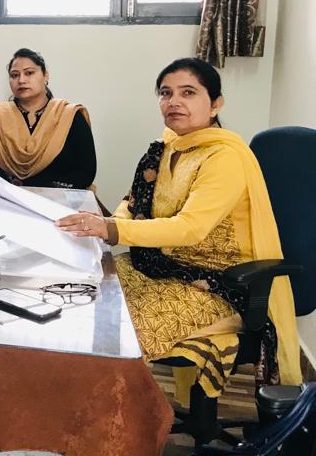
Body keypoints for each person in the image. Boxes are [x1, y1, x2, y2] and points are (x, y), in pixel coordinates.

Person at [56, 58, 301, 406]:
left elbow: (190, 227)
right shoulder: (166, 147)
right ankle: (69, 407)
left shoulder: (224, 157)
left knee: (117, 335)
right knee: (82, 297)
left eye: (188, 93)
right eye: (165, 93)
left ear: (215, 103)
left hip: (219, 284)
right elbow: (134, 203)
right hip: (162, 268)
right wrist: (100, 222)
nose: (174, 102)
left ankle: (115, 422)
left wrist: (112, 229)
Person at [0, 47, 96, 189]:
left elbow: (86, 172)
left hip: (58, 199)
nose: (21, 80)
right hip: (3, 198)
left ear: (45, 76)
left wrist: (41, 189)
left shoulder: (70, 116)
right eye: (14, 75)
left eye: (29, 73)